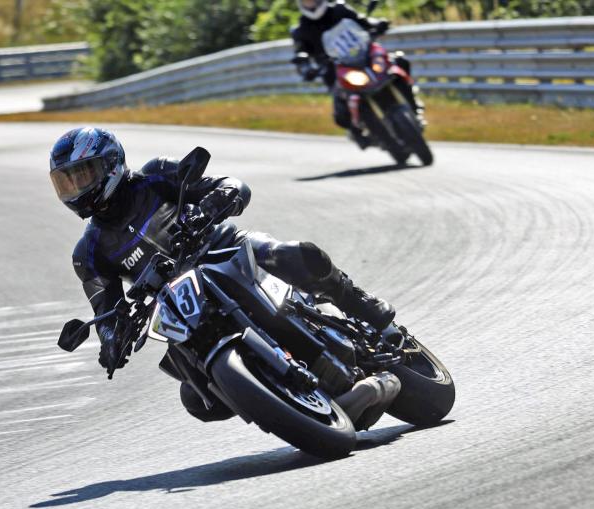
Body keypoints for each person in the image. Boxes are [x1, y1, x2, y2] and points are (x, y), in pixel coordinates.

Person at [50, 127, 395, 422]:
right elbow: (105, 308)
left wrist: (215, 203)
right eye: (68, 181)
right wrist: (112, 339)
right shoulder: (88, 253)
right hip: (179, 302)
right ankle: (282, 397)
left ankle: (360, 304)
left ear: (111, 164)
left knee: (294, 255)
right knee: (196, 398)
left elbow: (231, 185)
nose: (77, 187)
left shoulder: (154, 176)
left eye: (84, 174)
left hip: (225, 249)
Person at [290, 0, 392, 149]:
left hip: (362, 56)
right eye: (307, 1)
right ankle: (356, 131)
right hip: (334, 70)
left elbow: (363, 21)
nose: (311, 3)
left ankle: (414, 104)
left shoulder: (340, 9)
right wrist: (305, 66)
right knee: (340, 111)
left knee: (398, 62)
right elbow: (300, 51)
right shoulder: (301, 29)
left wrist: (377, 24)